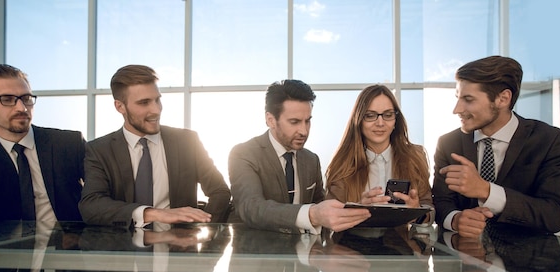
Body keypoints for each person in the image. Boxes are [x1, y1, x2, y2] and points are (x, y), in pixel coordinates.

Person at [433, 55, 560, 237]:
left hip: (528, 260)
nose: (456, 109)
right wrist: (455, 219)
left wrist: (486, 191)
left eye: (468, 99)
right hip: (465, 257)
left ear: (503, 99)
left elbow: (555, 215)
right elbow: (442, 202)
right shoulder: (448, 143)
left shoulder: (550, 140)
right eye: (458, 98)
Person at [79, 64, 231, 227]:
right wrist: (152, 213)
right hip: (122, 246)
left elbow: (219, 191)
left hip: (179, 247)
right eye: (144, 103)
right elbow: (91, 205)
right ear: (120, 106)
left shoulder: (187, 141)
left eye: (157, 100)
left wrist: (203, 231)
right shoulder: (100, 150)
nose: (156, 110)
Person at [0, 64, 85, 232]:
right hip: (8, 251)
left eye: (26, 98)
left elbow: (102, 193)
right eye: (7, 99)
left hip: (71, 248)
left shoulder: (68, 143)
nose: (22, 108)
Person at [228, 79, 370, 233]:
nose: (304, 131)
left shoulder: (311, 160)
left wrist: (354, 208)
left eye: (307, 121)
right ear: (270, 120)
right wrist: (311, 214)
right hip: (254, 251)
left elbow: (321, 207)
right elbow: (252, 208)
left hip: (302, 252)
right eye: (294, 122)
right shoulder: (243, 154)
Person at [325, 84, 433, 223]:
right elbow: (329, 218)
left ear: (395, 120)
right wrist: (357, 209)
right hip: (351, 243)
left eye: (388, 115)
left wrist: (416, 212)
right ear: (359, 120)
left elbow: (429, 207)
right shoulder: (343, 163)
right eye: (370, 116)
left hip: (404, 241)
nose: (380, 123)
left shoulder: (416, 156)